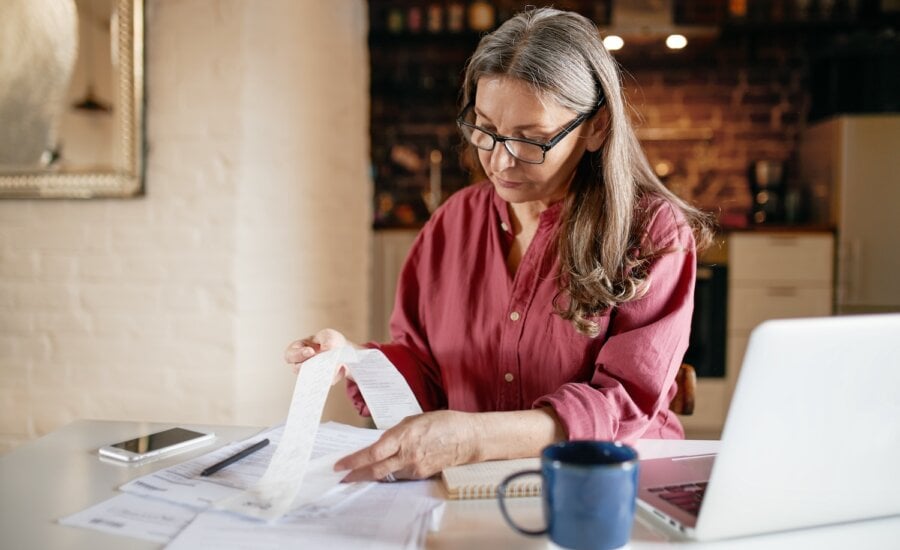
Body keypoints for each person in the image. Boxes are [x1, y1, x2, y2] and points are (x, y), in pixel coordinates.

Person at [285, 7, 713, 483]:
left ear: (596, 127)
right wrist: (354, 361)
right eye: (485, 128)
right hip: (474, 483)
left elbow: (622, 404)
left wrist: (473, 438)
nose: (499, 160)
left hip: (605, 483)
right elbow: (426, 368)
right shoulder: (453, 224)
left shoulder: (650, 231)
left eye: (532, 140)